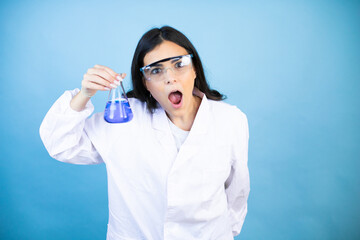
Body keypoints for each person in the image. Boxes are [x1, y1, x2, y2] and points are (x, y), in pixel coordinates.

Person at [40, 26, 250, 240]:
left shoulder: (230, 120)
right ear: (145, 82)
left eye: (179, 64)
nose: (170, 78)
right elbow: (60, 144)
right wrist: (85, 94)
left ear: (195, 68)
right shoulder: (125, 119)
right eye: (156, 70)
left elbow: (237, 193)